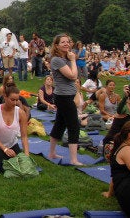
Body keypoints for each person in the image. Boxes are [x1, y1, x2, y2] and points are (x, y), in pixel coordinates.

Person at [48, 34, 83, 166]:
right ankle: (74, 159)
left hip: (67, 95)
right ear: (56, 45)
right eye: (63, 42)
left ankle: (52, 153)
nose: (66, 44)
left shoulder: (66, 57)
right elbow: (73, 76)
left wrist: (71, 59)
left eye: (68, 42)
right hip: (63, 97)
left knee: (60, 124)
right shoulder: (56, 60)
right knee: (73, 126)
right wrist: (73, 60)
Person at [0, 85, 30, 172]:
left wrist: (26, 154)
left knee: (21, 165)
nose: (15, 103)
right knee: (5, 168)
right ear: (5, 97)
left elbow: (24, 136)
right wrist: (5, 149)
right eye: (12, 100)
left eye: (17, 100)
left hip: (12, 144)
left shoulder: (21, 113)